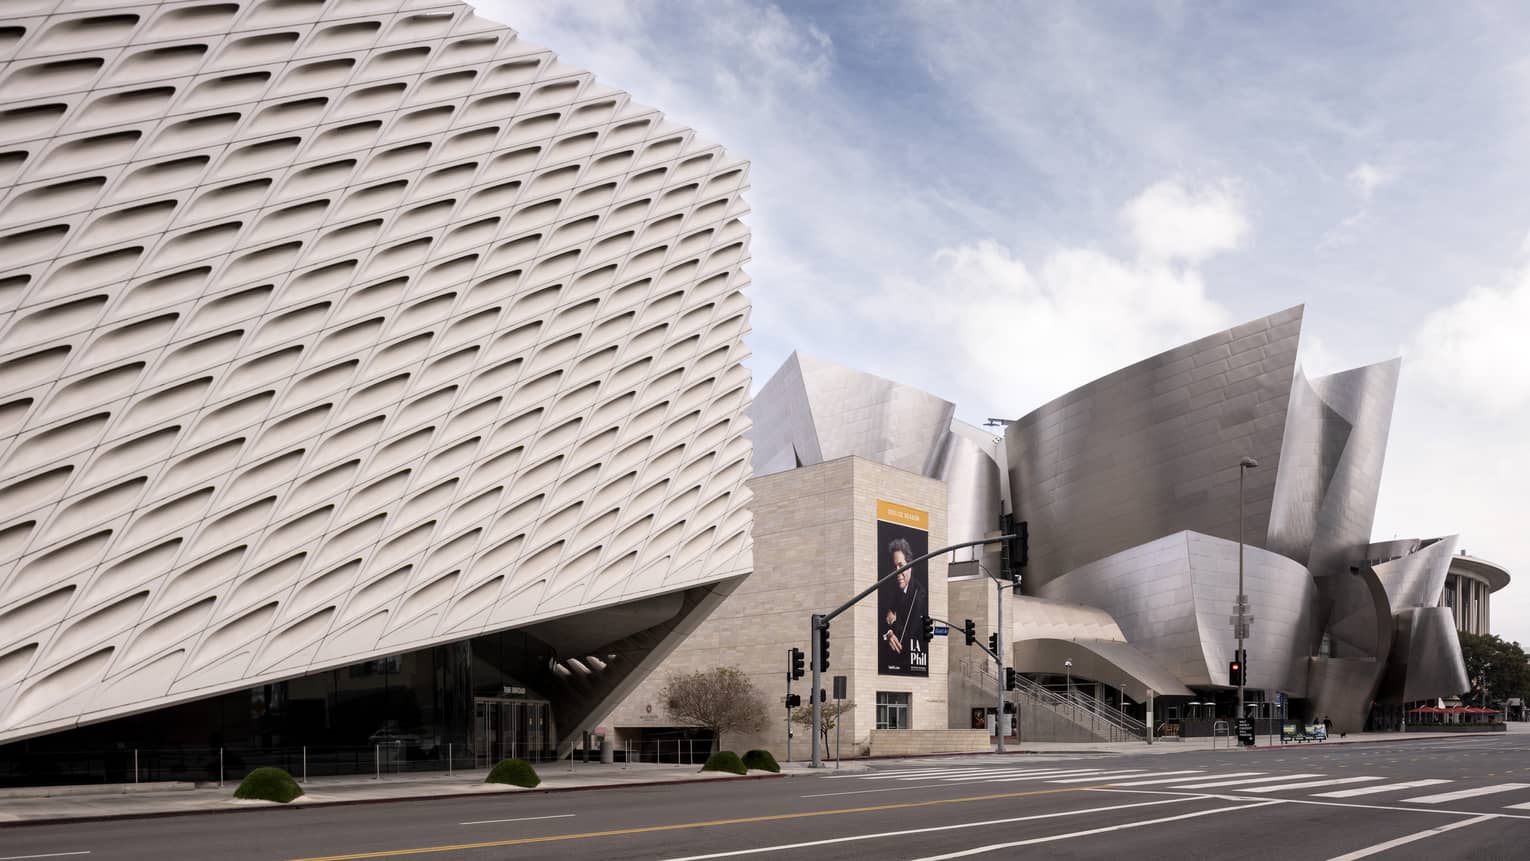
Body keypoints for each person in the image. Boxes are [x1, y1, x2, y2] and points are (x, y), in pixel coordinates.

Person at [880, 538, 918, 662]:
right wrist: (888, 633)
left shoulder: (919, 595)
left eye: (901, 565)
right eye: (894, 566)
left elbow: (911, 637)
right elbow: (881, 625)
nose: (897, 571)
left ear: (910, 566)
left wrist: (893, 623)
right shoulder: (889, 592)